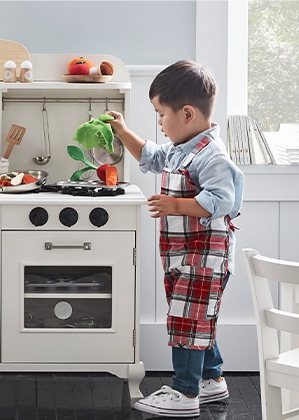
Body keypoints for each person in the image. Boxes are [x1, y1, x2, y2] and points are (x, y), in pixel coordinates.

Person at [107, 60, 244, 418]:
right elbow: (152, 157)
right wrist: (123, 132)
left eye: (160, 113)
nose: (158, 122)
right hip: (183, 254)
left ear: (186, 113)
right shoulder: (181, 147)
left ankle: (185, 392)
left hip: (205, 257)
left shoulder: (211, 154)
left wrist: (175, 204)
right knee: (198, 318)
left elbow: (220, 200)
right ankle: (211, 380)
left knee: (187, 320)